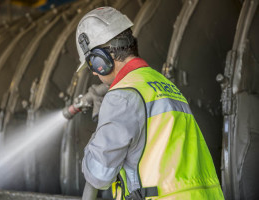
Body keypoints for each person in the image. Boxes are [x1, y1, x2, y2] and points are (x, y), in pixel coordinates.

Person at [76, 7, 224, 200]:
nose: (94, 72)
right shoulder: (165, 85)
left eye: (91, 64)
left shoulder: (122, 96)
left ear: (100, 60)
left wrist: (96, 137)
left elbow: (99, 174)